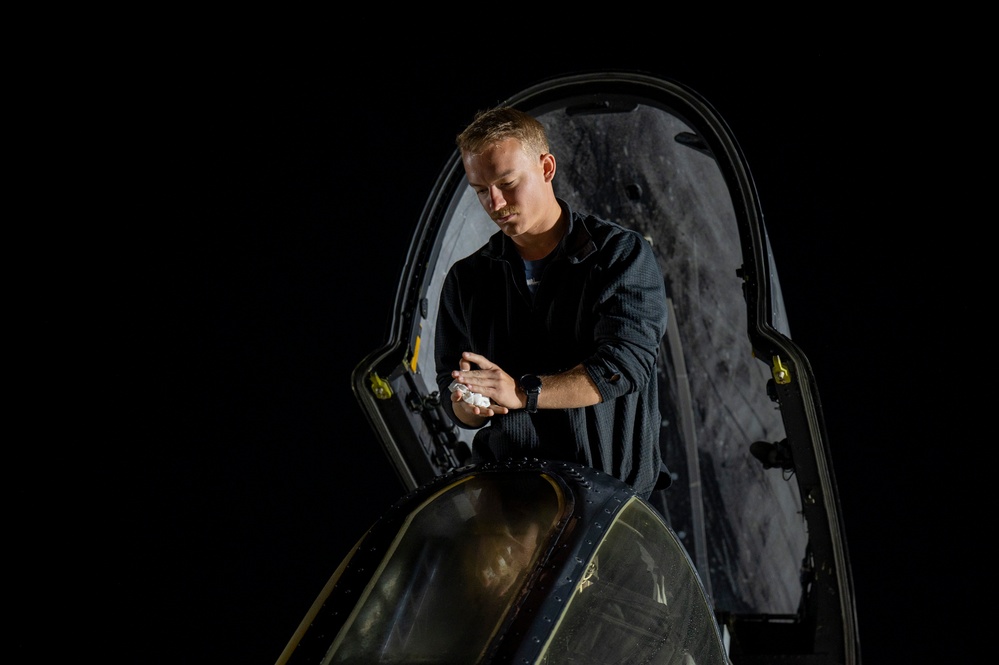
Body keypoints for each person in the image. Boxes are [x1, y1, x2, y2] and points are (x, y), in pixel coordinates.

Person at [434, 106, 670, 499]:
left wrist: (523, 393)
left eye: (507, 183)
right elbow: (448, 387)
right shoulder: (467, 281)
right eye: (480, 190)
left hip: (610, 508)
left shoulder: (619, 256)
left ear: (546, 168)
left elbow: (625, 366)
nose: (494, 202)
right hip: (509, 508)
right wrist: (467, 405)